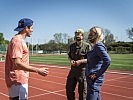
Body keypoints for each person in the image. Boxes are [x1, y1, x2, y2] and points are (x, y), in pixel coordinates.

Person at [5, 18, 48, 100]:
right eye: (31, 28)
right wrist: (38, 70)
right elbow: (17, 63)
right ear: (26, 28)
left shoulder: (17, 40)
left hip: (18, 80)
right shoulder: (18, 41)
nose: (32, 30)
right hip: (18, 81)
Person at [86, 26, 111, 100]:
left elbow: (107, 60)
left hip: (94, 80)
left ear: (97, 35)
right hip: (91, 79)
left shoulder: (98, 46)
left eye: (91, 34)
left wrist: (96, 75)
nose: (89, 35)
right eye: (89, 33)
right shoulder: (94, 46)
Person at [66, 29, 91, 100]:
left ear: (82, 36)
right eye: (76, 34)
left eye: (79, 34)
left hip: (82, 72)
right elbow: (69, 56)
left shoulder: (87, 46)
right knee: (69, 89)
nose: (77, 36)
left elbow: (90, 59)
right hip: (73, 71)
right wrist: (71, 61)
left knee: (82, 92)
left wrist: (80, 61)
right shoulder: (72, 46)